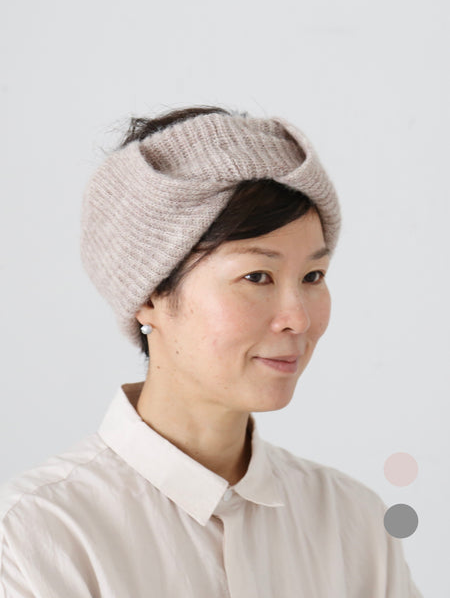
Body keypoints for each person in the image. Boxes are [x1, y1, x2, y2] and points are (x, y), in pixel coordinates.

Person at [0, 106, 423, 597]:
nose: (299, 318)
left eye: (313, 276)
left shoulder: (354, 524)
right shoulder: (37, 537)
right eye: (257, 277)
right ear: (149, 296)